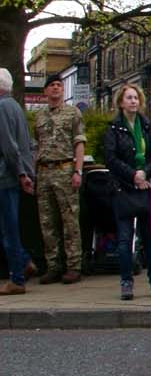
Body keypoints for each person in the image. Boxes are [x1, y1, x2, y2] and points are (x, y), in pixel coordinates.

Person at [99, 83, 151, 300]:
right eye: (129, 98)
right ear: (121, 102)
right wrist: (132, 175)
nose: (133, 101)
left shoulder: (146, 127)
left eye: (136, 98)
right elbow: (110, 159)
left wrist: (145, 173)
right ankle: (126, 282)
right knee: (125, 239)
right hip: (123, 189)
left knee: (149, 238)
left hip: (144, 187)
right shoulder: (113, 129)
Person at [30, 75, 86, 283]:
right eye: (51, 86)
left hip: (64, 168)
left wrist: (77, 171)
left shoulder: (73, 113)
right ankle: (53, 265)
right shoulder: (40, 116)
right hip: (44, 171)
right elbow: (37, 145)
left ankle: (74, 265)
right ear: (45, 91)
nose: (55, 88)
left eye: (59, 85)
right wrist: (33, 173)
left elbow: (79, 142)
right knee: (47, 222)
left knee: (70, 220)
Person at [0, 68, 32, 294]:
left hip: (5, 176)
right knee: (9, 226)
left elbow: (9, 147)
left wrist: (20, 173)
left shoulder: (1, 107)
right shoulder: (16, 107)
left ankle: (17, 278)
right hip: (14, 175)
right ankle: (24, 261)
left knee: (7, 229)